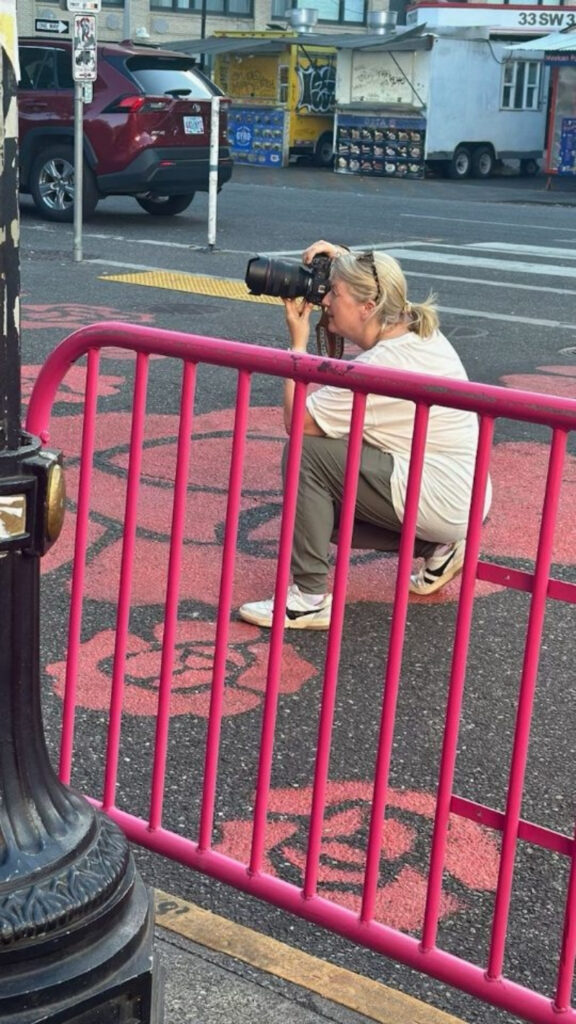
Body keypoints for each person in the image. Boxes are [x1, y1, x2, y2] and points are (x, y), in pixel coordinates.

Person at [239, 239, 492, 630]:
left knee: (306, 455)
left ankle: (308, 599)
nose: (324, 300)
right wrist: (343, 258)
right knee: (319, 516)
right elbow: (380, 282)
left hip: (441, 494)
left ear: (368, 307)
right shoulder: (413, 328)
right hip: (462, 495)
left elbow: (299, 425)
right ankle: (438, 548)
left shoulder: (384, 365)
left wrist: (298, 345)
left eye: (334, 293)